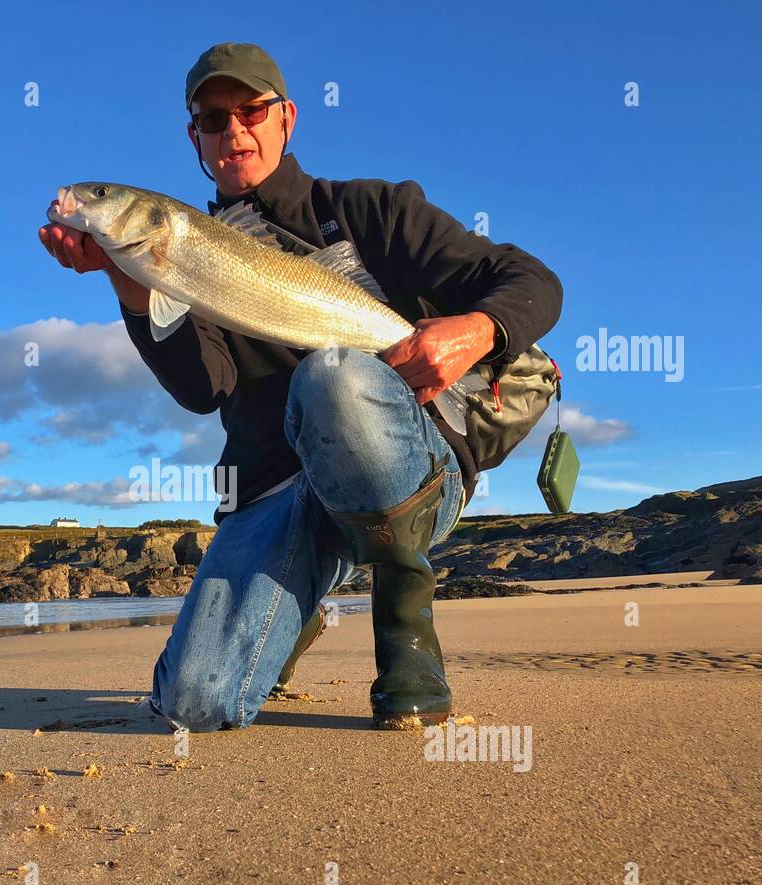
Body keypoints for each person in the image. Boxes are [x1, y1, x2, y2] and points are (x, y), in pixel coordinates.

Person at [39, 42, 562, 732]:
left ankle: (407, 632)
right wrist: (131, 286)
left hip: (406, 466)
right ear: (193, 134)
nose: (234, 131)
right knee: (194, 703)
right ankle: (295, 612)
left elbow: (534, 282)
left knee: (335, 377)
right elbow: (205, 387)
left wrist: (474, 330)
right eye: (213, 118)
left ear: (286, 119)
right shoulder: (180, 256)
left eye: (252, 111)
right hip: (275, 494)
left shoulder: (372, 209)